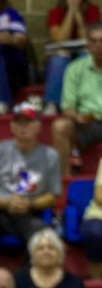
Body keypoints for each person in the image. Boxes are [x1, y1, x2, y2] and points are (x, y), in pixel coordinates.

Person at [0, 100, 61, 280]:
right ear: (11, 126)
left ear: (38, 126)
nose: (23, 127)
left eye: (28, 122)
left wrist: (29, 204)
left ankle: (25, 275)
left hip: (28, 213)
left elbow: (52, 196)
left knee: (42, 231)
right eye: (19, 122)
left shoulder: (51, 156)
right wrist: (4, 202)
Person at [50, 21, 102, 177]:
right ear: (88, 45)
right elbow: (67, 107)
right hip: (88, 123)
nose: (98, 45)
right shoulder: (74, 68)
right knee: (60, 126)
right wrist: (77, 116)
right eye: (93, 41)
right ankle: (65, 182)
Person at [42, 0, 100, 114]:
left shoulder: (92, 9)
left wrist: (78, 14)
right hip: (63, 53)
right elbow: (60, 39)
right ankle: (52, 103)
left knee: (86, 55)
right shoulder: (55, 12)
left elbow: (88, 39)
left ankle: (83, 102)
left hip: (84, 51)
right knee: (59, 57)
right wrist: (70, 12)